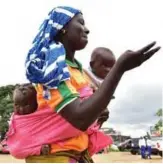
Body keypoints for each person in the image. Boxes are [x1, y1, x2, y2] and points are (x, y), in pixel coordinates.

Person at [7, 6, 160, 163]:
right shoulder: (52, 69)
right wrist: (119, 68)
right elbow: (79, 118)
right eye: (80, 23)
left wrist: (98, 114)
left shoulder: (76, 69)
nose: (86, 30)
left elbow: (83, 115)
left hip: (76, 156)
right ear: (63, 28)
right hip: (53, 158)